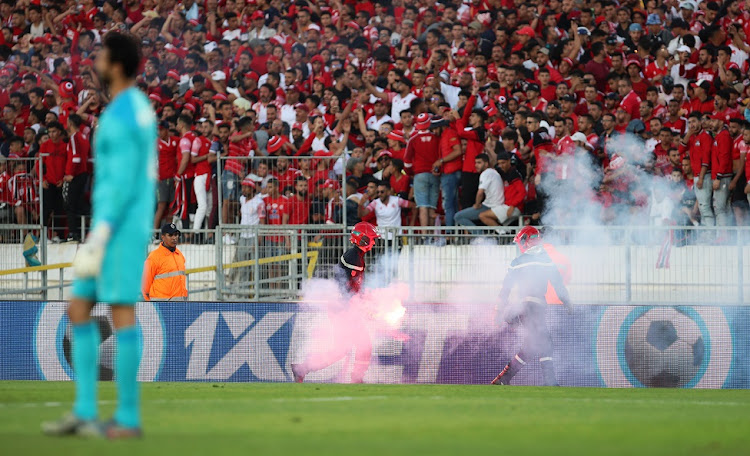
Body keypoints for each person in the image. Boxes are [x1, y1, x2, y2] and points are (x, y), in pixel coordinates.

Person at [42, 33, 157, 439]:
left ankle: (125, 417)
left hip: (118, 228)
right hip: (113, 223)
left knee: (120, 312)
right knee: (79, 309)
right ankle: (87, 411)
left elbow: (124, 179)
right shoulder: (131, 108)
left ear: (118, 64)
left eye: (102, 54)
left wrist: (103, 232)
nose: (96, 60)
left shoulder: (126, 112)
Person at [291, 222, 380, 384]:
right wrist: (360, 306)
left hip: (343, 308)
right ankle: (356, 378)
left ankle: (301, 369)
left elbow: (353, 287)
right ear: (363, 239)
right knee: (363, 344)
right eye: (371, 239)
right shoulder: (353, 256)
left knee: (341, 349)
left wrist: (365, 301)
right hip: (342, 309)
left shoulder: (356, 256)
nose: (373, 243)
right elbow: (346, 288)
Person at [491, 226, 573, 387]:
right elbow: (558, 284)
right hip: (535, 307)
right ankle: (550, 382)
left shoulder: (517, 262)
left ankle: (504, 379)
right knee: (544, 341)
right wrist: (567, 302)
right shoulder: (546, 260)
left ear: (526, 241)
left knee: (531, 345)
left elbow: (505, 289)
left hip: (523, 307)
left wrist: (499, 312)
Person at [141, 223, 188, 301]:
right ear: (163, 237)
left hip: (180, 305)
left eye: (176, 235)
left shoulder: (179, 255)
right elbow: (145, 286)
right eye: (170, 235)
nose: (174, 238)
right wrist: (150, 305)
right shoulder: (154, 257)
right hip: (161, 305)